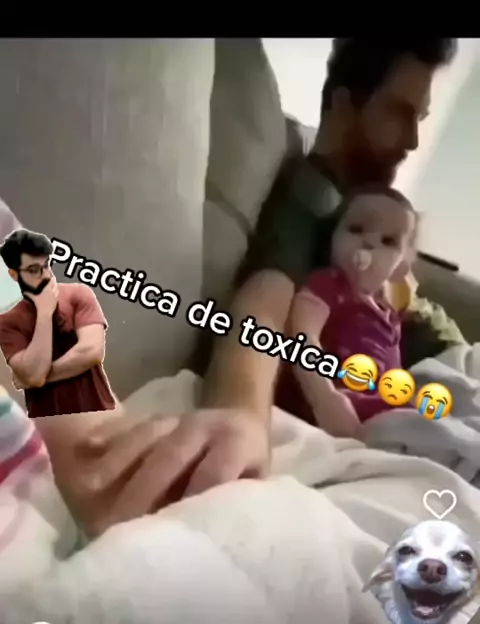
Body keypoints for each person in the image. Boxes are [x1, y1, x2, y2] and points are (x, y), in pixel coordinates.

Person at [36, 39, 458, 537]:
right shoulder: (316, 198)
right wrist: (240, 408)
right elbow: (268, 291)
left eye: (419, 119)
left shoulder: (371, 204)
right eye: (399, 113)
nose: (413, 140)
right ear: (347, 105)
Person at [276, 186, 419, 439]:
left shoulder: (389, 315)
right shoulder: (328, 285)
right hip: (337, 400)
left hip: (379, 405)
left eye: (388, 241)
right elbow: (301, 336)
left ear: (401, 267)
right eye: (356, 228)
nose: (369, 242)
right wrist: (324, 397)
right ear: (333, 237)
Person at [0, 229, 116, 418]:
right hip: (52, 427)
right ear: (14, 274)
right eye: (34, 270)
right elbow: (33, 374)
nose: (46, 275)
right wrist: (44, 314)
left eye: (46, 265)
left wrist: (35, 379)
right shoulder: (8, 322)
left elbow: (91, 352)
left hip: (99, 416)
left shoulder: (78, 295)